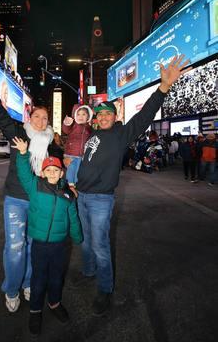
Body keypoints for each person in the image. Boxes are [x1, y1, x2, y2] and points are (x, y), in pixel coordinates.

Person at [74, 55, 190, 316]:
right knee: (84, 240)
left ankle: (105, 289)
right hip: (81, 195)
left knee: (100, 245)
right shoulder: (92, 136)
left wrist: (163, 88)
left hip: (101, 199)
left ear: (115, 119)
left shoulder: (120, 134)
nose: (104, 117)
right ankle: (89, 270)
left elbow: (144, 116)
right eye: (100, 114)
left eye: (108, 114)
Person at [0, 65, 54, 313]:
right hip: (15, 199)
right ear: (29, 118)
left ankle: (28, 283)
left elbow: (59, 171)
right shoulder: (18, 134)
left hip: (38, 201)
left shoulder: (52, 144)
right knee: (15, 246)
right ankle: (11, 289)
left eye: (45, 118)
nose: (41, 121)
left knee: (34, 246)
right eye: (37, 117)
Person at [12, 137, 83, 336]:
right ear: (42, 173)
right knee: (38, 277)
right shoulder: (35, 187)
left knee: (56, 277)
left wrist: (77, 237)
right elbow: (24, 174)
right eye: (48, 170)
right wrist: (23, 154)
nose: (52, 173)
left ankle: (54, 303)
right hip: (40, 245)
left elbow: (73, 218)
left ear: (62, 172)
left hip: (60, 245)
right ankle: (35, 310)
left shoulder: (68, 195)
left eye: (56, 170)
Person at [62, 104, 93, 193]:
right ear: (75, 115)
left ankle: (75, 185)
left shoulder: (89, 128)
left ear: (88, 117)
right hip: (71, 154)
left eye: (84, 114)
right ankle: (69, 184)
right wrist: (67, 123)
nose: (81, 117)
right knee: (71, 169)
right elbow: (66, 129)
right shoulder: (73, 125)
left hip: (82, 156)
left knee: (78, 172)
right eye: (78, 114)